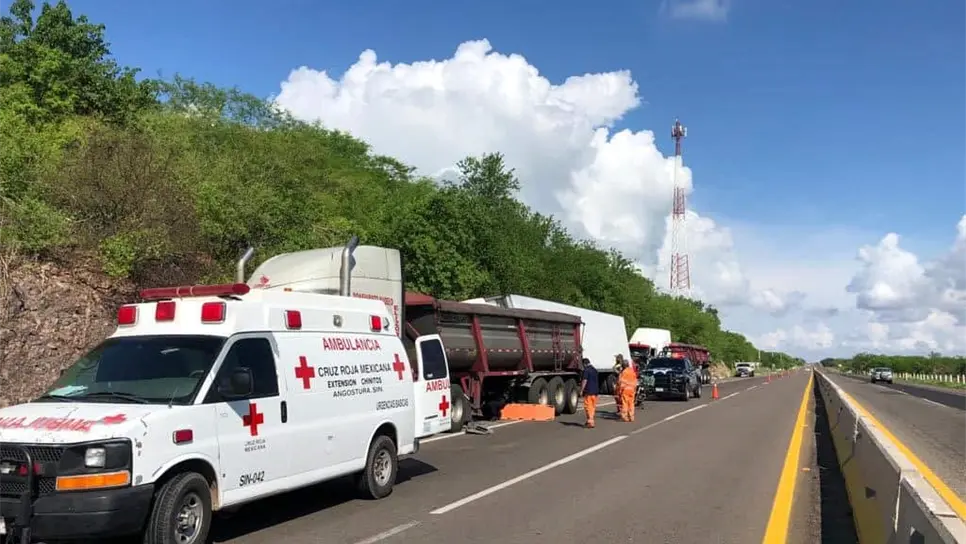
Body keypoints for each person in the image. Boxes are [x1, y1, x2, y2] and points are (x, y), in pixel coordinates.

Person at [579, 358, 598, 428]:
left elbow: (584, 381)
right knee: (592, 407)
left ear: (584, 364)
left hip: (589, 391)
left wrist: (581, 390)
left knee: (588, 407)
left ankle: (590, 422)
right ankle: (590, 420)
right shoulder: (595, 370)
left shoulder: (586, 370)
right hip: (595, 392)